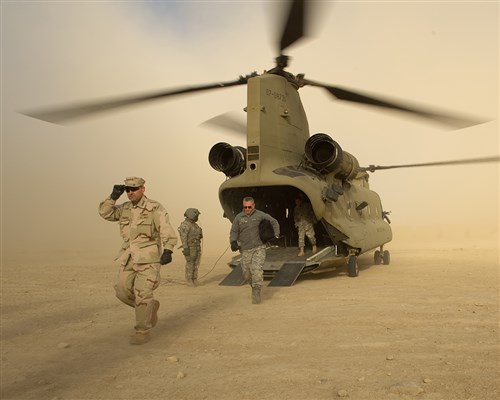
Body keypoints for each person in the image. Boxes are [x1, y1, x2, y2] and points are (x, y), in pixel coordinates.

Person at [98, 177, 178, 345]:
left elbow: (165, 228)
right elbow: (105, 213)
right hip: (129, 256)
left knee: (142, 293)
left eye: (133, 189)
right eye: (127, 189)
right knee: (121, 291)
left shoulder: (154, 207)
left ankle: (143, 331)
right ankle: (150, 307)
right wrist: (113, 197)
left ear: (143, 189)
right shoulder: (125, 208)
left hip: (148, 259)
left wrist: (168, 249)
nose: (130, 193)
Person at [229, 197, 280, 304]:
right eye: (245, 207)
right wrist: (233, 241)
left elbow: (273, 221)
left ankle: (256, 292)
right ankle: (253, 285)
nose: (247, 209)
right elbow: (234, 231)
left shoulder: (260, 215)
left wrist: (276, 234)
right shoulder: (239, 218)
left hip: (259, 248)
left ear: (253, 206)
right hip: (245, 249)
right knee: (246, 274)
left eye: (249, 207)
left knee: (257, 270)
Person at [178, 208, 203, 287]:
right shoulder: (185, 225)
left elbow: (198, 235)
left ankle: (194, 279)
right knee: (190, 263)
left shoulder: (195, 225)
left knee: (196, 263)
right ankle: (189, 280)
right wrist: (185, 248)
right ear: (191, 215)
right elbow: (183, 238)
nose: (197, 217)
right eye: (196, 215)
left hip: (197, 246)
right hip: (190, 247)